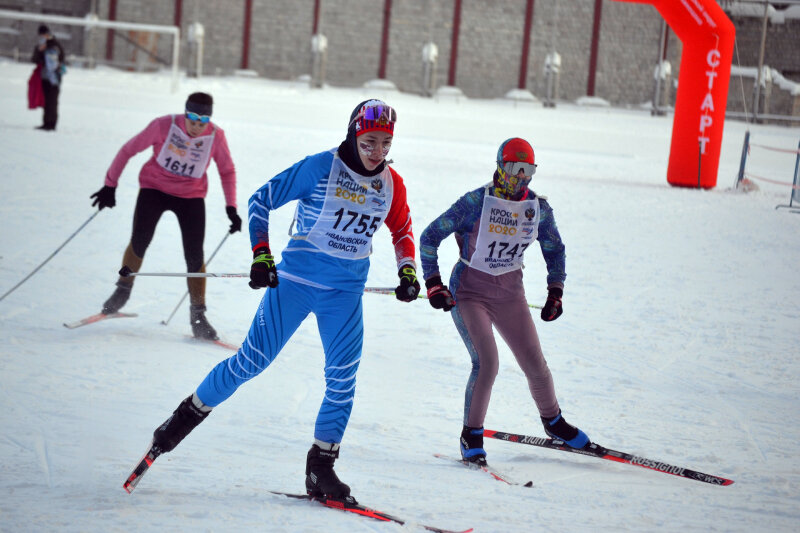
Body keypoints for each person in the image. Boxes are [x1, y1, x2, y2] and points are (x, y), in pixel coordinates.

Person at [142, 99, 419, 501]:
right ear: (354, 134)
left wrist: (408, 270)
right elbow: (261, 199)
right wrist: (261, 254)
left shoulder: (391, 183)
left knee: (342, 381)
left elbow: (403, 229)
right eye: (370, 142)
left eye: (386, 143)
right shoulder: (320, 167)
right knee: (250, 363)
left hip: (344, 294)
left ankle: (320, 469)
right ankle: (179, 422)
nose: (378, 152)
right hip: (295, 282)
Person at [419, 137, 590, 466]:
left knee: (535, 364)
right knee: (488, 362)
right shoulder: (475, 203)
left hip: (510, 293)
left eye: (528, 170)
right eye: (514, 168)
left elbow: (554, 249)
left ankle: (554, 422)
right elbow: (429, 237)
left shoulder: (537, 208)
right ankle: (471, 434)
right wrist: (433, 283)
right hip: (469, 292)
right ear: (500, 166)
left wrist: (556, 290)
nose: (521, 177)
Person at [90, 92, 241, 340]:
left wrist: (231, 208)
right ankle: (123, 289)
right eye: (192, 119)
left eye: (202, 122)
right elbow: (128, 150)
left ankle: (198, 315)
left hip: (191, 197)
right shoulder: (164, 125)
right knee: (139, 240)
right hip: (154, 189)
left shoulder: (216, 136)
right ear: (185, 114)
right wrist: (110, 185)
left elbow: (227, 171)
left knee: (195, 256)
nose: (196, 126)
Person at [31, 24, 65, 131]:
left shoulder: (54, 44)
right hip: (44, 77)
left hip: (54, 78)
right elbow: (35, 59)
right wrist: (40, 51)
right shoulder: (41, 45)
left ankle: (52, 124)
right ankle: (46, 122)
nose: (42, 37)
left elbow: (60, 59)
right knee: (46, 101)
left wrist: (47, 49)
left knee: (52, 101)